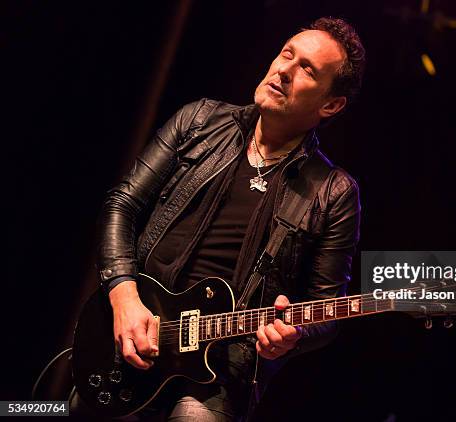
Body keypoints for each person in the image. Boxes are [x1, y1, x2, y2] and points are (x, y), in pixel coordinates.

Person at [77, 17, 365, 421]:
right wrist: (124, 297)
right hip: (131, 331)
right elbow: (121, 204)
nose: (284, 70)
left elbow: (325, 309)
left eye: (307, 69)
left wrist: (292, 335)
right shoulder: (198, 122)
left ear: (331, 104)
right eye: (287, 54)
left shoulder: (332, 192)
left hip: (219, 372)